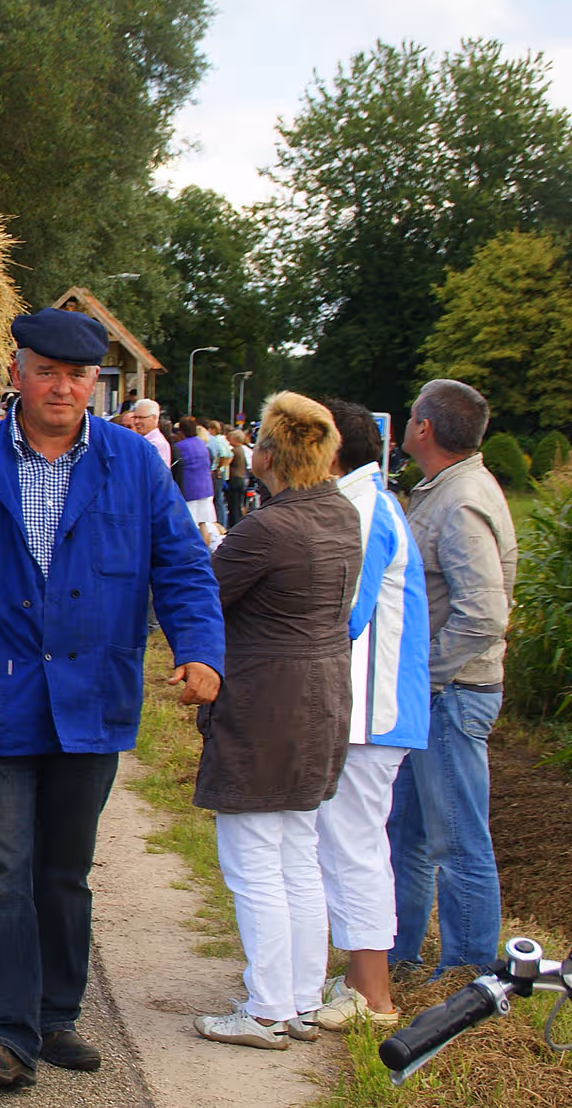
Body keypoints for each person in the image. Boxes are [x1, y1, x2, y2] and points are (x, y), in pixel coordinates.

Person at [0, 307, 223, 1089]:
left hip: (91, 696)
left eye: (78, 375)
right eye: (47, 371)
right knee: (3, 864)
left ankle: (56, 1012)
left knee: (64, 870)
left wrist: (201, 648)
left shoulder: (134, 466)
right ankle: (1, 1034)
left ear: (95, 384)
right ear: (18, 375)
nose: (63, 387)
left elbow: (179, 567)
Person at [190, 393, 362, 1050]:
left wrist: (213, 544)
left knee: (254, 859)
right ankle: (299, 998)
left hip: (265, 700)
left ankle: (265, 1009)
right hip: (322, 697)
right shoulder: (340, 513)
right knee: (298, 853)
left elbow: (207, 590)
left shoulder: (268, 529)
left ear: (268, 454)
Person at [389, 379, 517, 975]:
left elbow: (485, 613)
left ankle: (470, 976)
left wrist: (430, 672)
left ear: (425, 430)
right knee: (408, 831)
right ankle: (400, 954)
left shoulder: (461, 500)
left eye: (412, 417)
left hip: (454, 692)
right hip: (436, 693)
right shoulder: (444, 489)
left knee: (458, 840)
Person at [310, 397, 429, 1032]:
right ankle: (361, 978)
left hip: (370, 708)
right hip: (367, 706)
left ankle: (374, 995)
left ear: (328, 449)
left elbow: (343, 612)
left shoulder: (360, 509)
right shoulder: (363, 501)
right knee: (351, 841)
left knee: (355, 843)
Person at [175, 417, 216, 528]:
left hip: (190, 489)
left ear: (181, 431)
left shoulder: (180, 447)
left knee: (190, 525)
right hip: (206, 488)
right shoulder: (202, 444)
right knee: (203, 523)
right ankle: (204, 545)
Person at [204, 419, 234, 527]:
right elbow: (230, 455)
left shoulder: (216, 440)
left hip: (216, 474)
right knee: (219, 499)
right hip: (220, 474)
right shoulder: (223, 440)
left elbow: (224, 456)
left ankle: (220, 524)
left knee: (217, 500)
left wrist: (219, 468)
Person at [130, 397, 171, 466]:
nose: (136, 422)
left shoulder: (157, 444)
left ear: (153, 418)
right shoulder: (140, 440)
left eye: (141, 418)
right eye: (135, 417)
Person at [227, 429, 253, 521]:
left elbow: (227, 463)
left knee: (233, 504)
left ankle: (234, 522)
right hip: (241, 478)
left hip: (234, 479)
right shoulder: (242, 449)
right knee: (238, 503)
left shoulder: (234, 451)